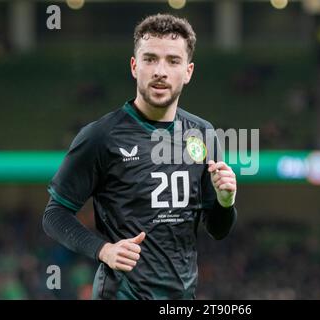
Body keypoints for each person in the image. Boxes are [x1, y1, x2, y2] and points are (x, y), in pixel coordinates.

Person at [42, 13, 237, 300]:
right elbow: (54, 215)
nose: (160, 71)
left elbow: (218, 229)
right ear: (135, 66)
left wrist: (225, 201)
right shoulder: (100, 136)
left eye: (173, 61)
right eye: (150, 59)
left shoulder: (203, 134)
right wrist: (104, 250)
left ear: (188, 71)